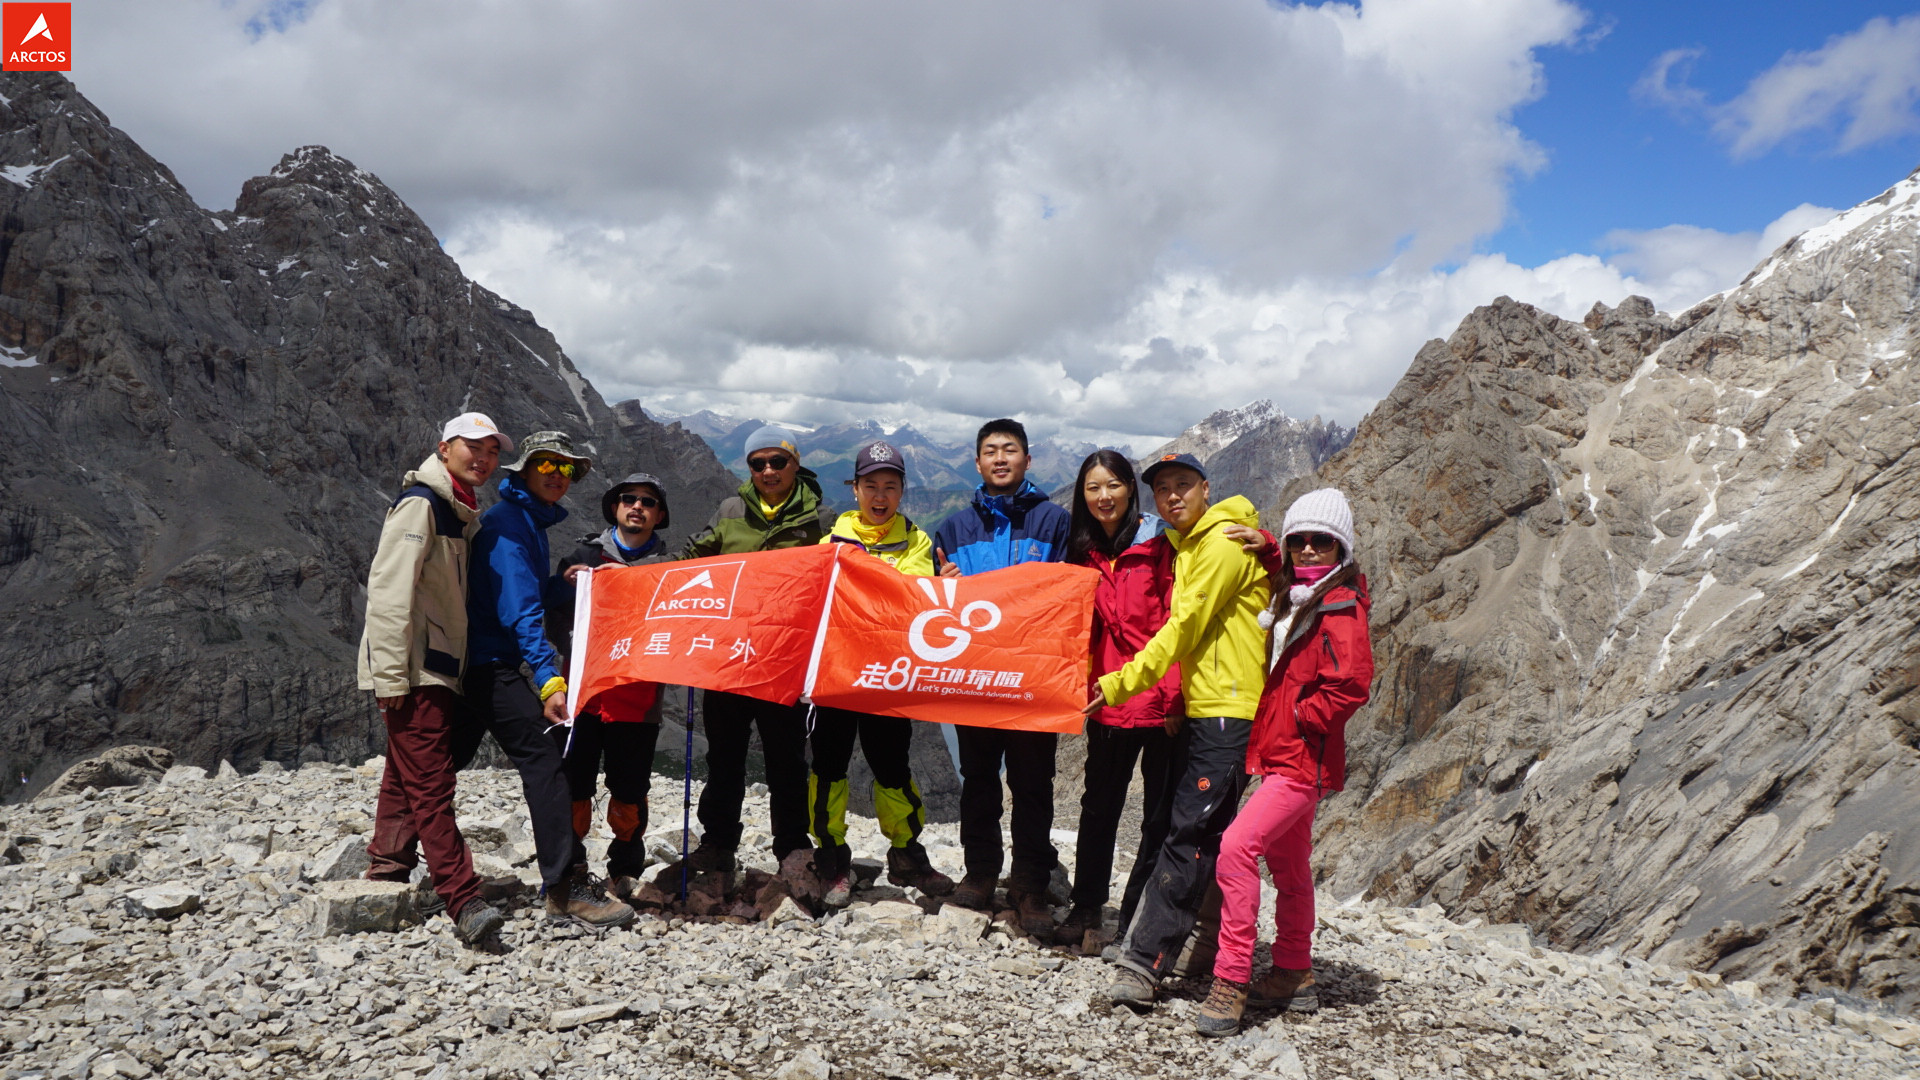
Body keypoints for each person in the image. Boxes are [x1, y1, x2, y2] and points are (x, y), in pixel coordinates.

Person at [1089, 452, 1271, 1007]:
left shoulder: (1218, 546)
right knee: (1206, 835)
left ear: (1206, 488)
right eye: (1162, 487)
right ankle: (1208, 947)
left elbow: (1183, 627)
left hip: (1225, 710)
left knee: (1186, 836)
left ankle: (1145, 964)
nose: (1172, 496)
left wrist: (1122, 682)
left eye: (1183, 485)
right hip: (1212, 705)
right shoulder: (1194, 543)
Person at [1195, 488, 1373, 1036]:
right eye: (1300, 540)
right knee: (1291, 868)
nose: (1309, 549)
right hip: (1286, 755)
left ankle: (1231, 980)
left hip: (1298, 759)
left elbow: (1351, 685)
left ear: (1340, 548)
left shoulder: (1338, 608)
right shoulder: (1301, 593)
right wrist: (1273, 544)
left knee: (1236, 848)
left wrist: (1300, 718)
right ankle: (1294, 972)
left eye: (1323, 540)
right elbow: (1287, 568)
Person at [460, 431, 635, 930]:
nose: (558, 476)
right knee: (548, 760)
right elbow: (521, 613)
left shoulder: (523, 521)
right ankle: (564, 888)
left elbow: (527, 591)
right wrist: (548, 682)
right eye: (548, 465)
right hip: (492, 665)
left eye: (566, 469)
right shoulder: (509, 526)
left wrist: (565, 582)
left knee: (443, 760)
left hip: (475, 662)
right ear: (526, 470)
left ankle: (393, 857)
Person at [358, 413, 512, 946]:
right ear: (444, 448)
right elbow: (388, 592)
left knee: (405, 774)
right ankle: (461, 897)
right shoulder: (422, 505)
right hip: (417, 669)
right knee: (432, 783)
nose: (483, 459)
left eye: (492, 452)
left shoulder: (458, 508)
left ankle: (387, 872)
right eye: (473, 448)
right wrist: (392, 679)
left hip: (435, 666)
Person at [931, 418, 1071, 937]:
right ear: (978, 462)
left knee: (1034, 782)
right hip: (975, 676)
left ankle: (1030, 883)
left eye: (1010, 450)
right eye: (990, 451)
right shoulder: (952, 529)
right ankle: (981, 871)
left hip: (1034, 677)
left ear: (1027, 460)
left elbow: (1069, 594)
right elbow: (935, 613)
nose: (1000, 459)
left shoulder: (1055, 522)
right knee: (979, 779)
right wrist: (941, 586)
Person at [808, 440, 956, 905]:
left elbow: (915, 602)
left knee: (892, 767)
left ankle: (906, 853)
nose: (879, 496)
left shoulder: (919, 542)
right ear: (854, 489)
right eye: (870, 485)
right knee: (828, 767)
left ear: (902, 491)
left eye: (889, 486)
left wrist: (943, 589)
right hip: (835, 676)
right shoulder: (828, 543)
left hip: (888, 677)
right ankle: (830, 856)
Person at [679, 425, 831, 874]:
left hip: (784, 661)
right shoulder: (730, 509)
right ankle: (718, 843)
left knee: (786, 757)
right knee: (723, 755)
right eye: (757, 463)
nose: (768, 470)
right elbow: (694, 557)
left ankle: (791, 846)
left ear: (795, 463)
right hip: (729, 657)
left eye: (777, 462)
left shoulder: (819, 518)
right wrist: (633, 574)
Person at [1058, 450, 1183, 948]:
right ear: (1082, 495)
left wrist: (1174, 698)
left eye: (1112, 485)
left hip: (1158, 703)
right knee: (1099, 809)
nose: (1103, 496)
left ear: (1131, 488)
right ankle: (1087, 908)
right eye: (1093, 488)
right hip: (1108, 699)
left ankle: (1136, 918)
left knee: (1158, 815)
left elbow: (1179, 624)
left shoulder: (1161, 546)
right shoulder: (1082, 550)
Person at [545, 473, 677, 901]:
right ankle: (573, 863)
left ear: (658, 516)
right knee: (574, 785)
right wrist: (567, 589)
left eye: (647, 501)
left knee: (630, 788)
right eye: (628, 499)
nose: (636, 506)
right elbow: (552, 616)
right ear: (615, 506)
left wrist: (630, 583)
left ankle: (625, 867)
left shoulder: (669, 568)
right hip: (584, 693)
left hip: (637, 700)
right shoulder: (582, 555)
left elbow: (678, 627)